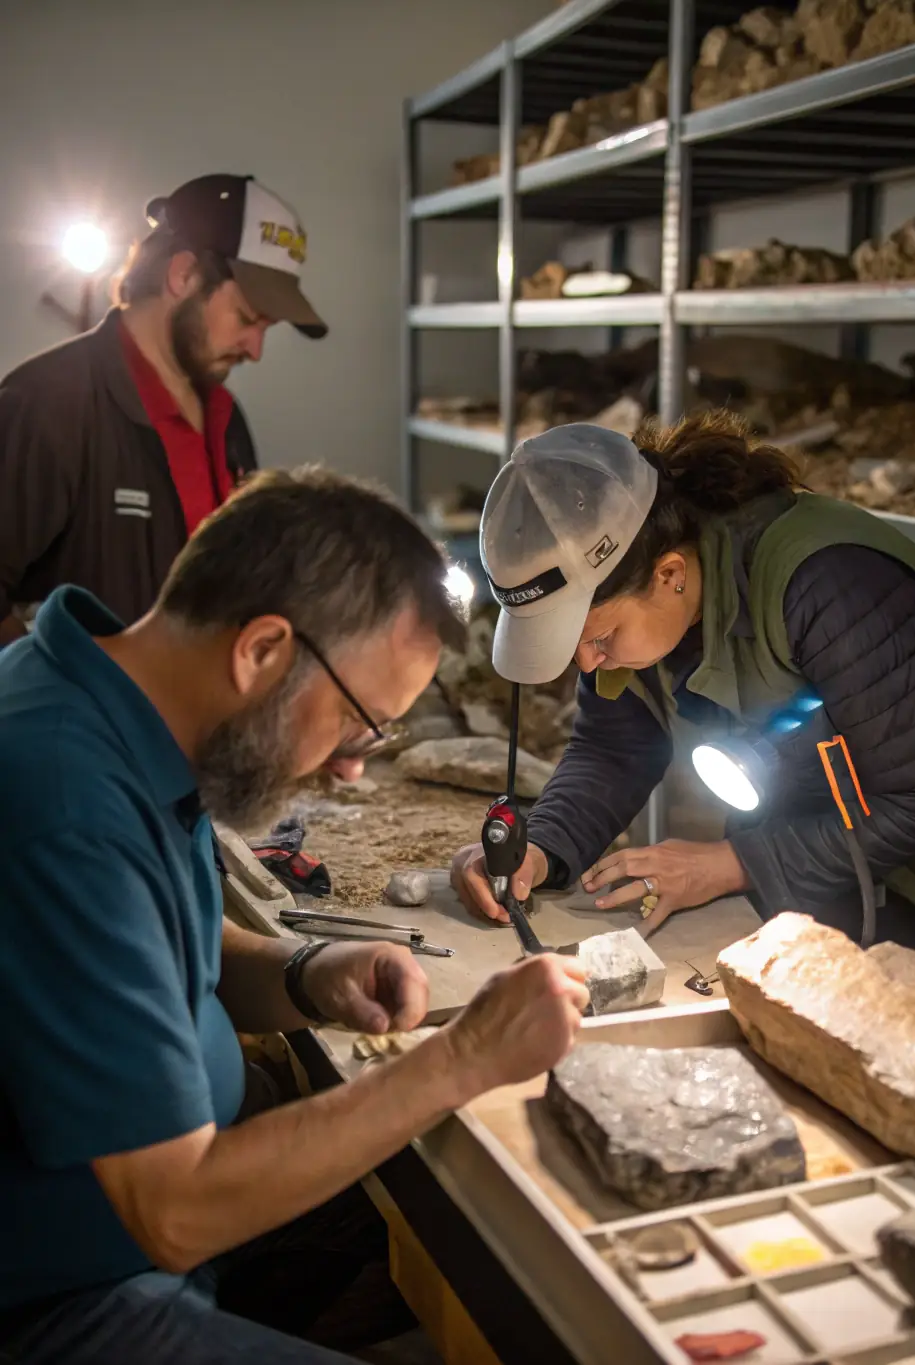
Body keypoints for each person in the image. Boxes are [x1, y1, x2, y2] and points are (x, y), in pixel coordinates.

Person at [0, 467, 589, 1365]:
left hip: (157, 1229)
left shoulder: (117, 709)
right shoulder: (65, 801)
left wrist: (304, 973)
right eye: (361, 726)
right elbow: (174, 1210)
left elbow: (165, 953)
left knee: (437, 1208)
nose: (354, 770)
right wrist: (463, 1057)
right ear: (263, 649)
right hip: (70, 1293)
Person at [451, 414, 915, 984]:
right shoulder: (644, 610)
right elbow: (612, 749)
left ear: (670, 572)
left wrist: (732, 864)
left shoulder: (830, 584)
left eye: (598, 638)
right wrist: (541, 849)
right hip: (862, 876)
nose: (588, 662)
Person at [0, 173, 328, 646]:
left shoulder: (226, 419)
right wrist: (61, 692)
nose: (255, 349)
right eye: (246, 318)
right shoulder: (51, 405)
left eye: (267, 328)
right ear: (183, 275)